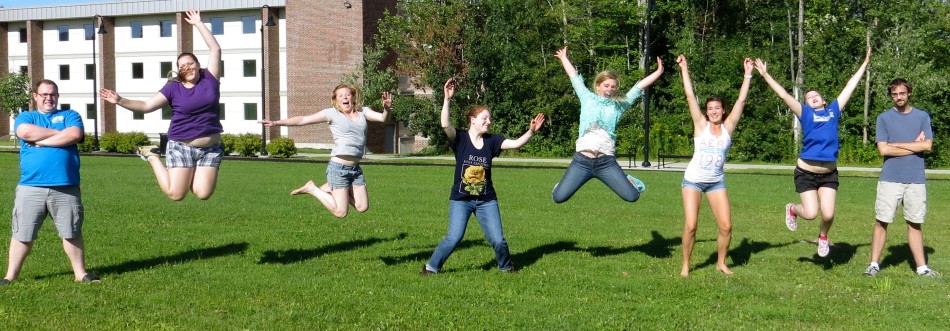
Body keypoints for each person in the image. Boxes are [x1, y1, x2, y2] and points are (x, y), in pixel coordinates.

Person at [754, 47, 870, 257]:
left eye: (816, 95)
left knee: (828, 213)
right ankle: (792, 209)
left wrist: (864, 63)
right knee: (810, 213)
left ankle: (823, 237)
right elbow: (783, 94)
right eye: (809, 97)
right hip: (806, 172)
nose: (813, 97)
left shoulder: (833, 111)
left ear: (824, 101)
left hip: (829, 174)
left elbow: (850, 86)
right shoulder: (804, 113)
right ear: (805, 104)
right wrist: (765, 75)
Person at [422, 78, 545, 275]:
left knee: (498, 239)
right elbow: (445, 125)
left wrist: (530, 131)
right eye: (485, 118)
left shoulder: (492, 141)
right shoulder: (461, 138)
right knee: (454, 237)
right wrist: (447, 99)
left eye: (489, 119)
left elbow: (515, 144)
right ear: (472, 120)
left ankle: (506, 267)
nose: (489, 121)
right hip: (461, 199)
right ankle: (431, 267)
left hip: (486, 200)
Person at [99, 9, 223, 201]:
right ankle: (152, 156)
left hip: (211, 148)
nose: (187, 68)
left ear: (198, 65)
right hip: (182, 145)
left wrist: (198, 23)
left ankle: (184, 172)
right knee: (176, 194)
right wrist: (120, 101)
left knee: (203, 193)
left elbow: (215, 49)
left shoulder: (210, 78)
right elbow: (147, 106)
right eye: (182, 66)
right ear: (178, 70)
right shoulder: (173, 88)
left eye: (190, 63)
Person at [2, 80, 99, 285]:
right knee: (22, 233)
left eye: (53, 94)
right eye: (44, 94)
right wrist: (61, 135)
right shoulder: (27, 117)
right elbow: (25, 132)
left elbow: (75, 134)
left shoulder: (70, 115)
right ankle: (10, 276)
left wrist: (41, 141)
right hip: (31, 185)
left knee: (71, 231)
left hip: (66, 185)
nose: (49, 98)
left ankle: (81, 274)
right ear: (35, 96)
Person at [551, 46, 663, 203]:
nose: (609, 89)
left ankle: (629, 180)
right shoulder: (587, 98)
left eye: (613, 86)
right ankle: (561, 186)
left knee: (632, 196)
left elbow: (638, 88)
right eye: (606, 85)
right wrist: (563, 58)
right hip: (582, 161)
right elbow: (574, 78)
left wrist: (658, 72)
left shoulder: (619, 106)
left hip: (605, 162)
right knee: (558, 197)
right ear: (598, 86)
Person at [261, 85, 392, 218]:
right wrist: (276, 123)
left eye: (347, 94)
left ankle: (332, 186)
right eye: (340, 96)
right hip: (338, 168)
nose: (344, 97)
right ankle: (312, 188)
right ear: (336, 100)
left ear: (353, 97)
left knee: (362, 207)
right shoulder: (332, 113)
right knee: (341, 212)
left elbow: (383, 119)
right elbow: (303, 120)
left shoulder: (363, 112)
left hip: (355, 169)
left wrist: (387, 109)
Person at [676, 55, 753, 277]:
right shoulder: (701, 125)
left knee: (726, 226)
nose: (713, 111)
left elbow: (741, 102)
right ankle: (686, 264)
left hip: (716, 182)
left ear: (723, 110)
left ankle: (720, 262)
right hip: (693, 180)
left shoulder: (729, 127)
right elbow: (690, 96)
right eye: (710, 108)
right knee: (691, 225)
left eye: (717, 108)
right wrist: (684, 69)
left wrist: (748, 74)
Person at [864, 78, 936, 277]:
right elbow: (883, 150)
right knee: (882, 221)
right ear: (891, 96)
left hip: (916, 179)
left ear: (909, 93)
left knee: (915, 223)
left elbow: (927, 146)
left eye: (902, 93)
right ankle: (873, 265)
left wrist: (895, 146)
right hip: (890, 178)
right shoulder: (884, 118)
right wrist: (914, 145)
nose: (898, 97)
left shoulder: (922, 117)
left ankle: (922, 268)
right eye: (894, 94)